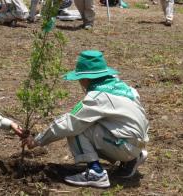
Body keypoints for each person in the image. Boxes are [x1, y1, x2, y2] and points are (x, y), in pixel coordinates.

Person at [22, 50, 149, 188]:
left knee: (77, 128)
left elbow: (70, 123)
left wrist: (37, 140)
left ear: (86, 79)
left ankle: (96, 173)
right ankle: (132, 159)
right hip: (139, 144)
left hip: (125, 146)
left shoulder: (97, 97)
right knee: (99, 123)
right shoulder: (123, 87)